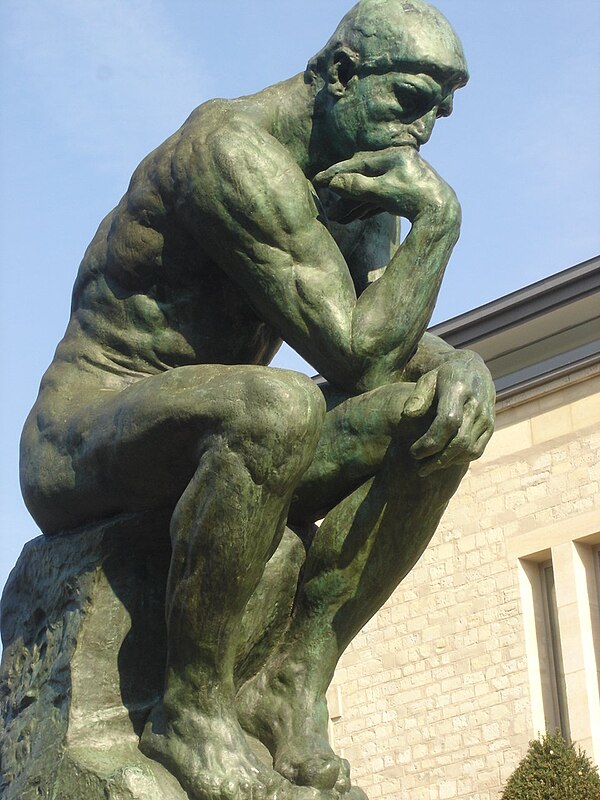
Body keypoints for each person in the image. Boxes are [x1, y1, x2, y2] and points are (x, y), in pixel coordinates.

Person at [20, 1, 495, 798]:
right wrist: (440, 223)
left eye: (439, 113)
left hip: (225, 432)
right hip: (88, 432)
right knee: (279, 406)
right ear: (342, 73)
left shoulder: (362, 181)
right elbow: (353, 350)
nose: (424, 131)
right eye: (409, 100)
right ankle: (193, 714)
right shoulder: (231, 152)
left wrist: (463, 366)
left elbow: (388, 335)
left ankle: (290, 687)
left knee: (438, 412)